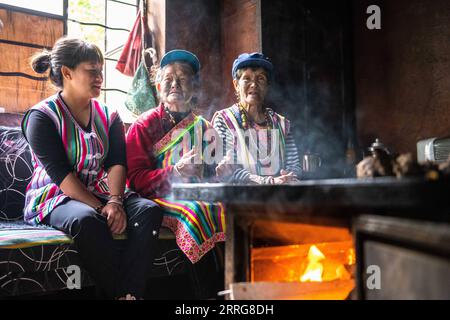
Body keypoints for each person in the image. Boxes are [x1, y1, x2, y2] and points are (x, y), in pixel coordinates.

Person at [22, 37, 163, 300]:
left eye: (101, 70)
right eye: (92, 70)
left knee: (149, 212)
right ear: (67, 72)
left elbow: (117, 163)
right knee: (87, 220)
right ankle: (119, 294)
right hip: (57, 195)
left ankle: (131, 294)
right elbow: (63, 177)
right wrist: (103, 208)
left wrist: (115, 201)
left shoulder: (109, 115)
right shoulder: (41, 117)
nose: (100, 77)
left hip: (103, 192)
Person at [126, 49, 225, 265]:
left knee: (229, 206)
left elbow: (210, 175)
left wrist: (220, 173)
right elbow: (134, 180)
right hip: (156, 197)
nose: (175, 85)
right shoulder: (143, 125)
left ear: (194, 87)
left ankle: (237, 283)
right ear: (159, 86)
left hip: (195, 194)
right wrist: (176, 171)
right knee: (195, 211)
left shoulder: (203, 127)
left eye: (182, 79)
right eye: (168, 79)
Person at [212, 52, 301, 184]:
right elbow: (229, 168)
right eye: (246, 78)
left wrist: (288, 178)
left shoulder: (281, 124)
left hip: (280, 196)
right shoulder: (224, 120)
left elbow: (294, 165)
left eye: (260, 79)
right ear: (236, 85)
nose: (253, 84)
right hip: (239, 198)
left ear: (267, 86)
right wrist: (269, 182)